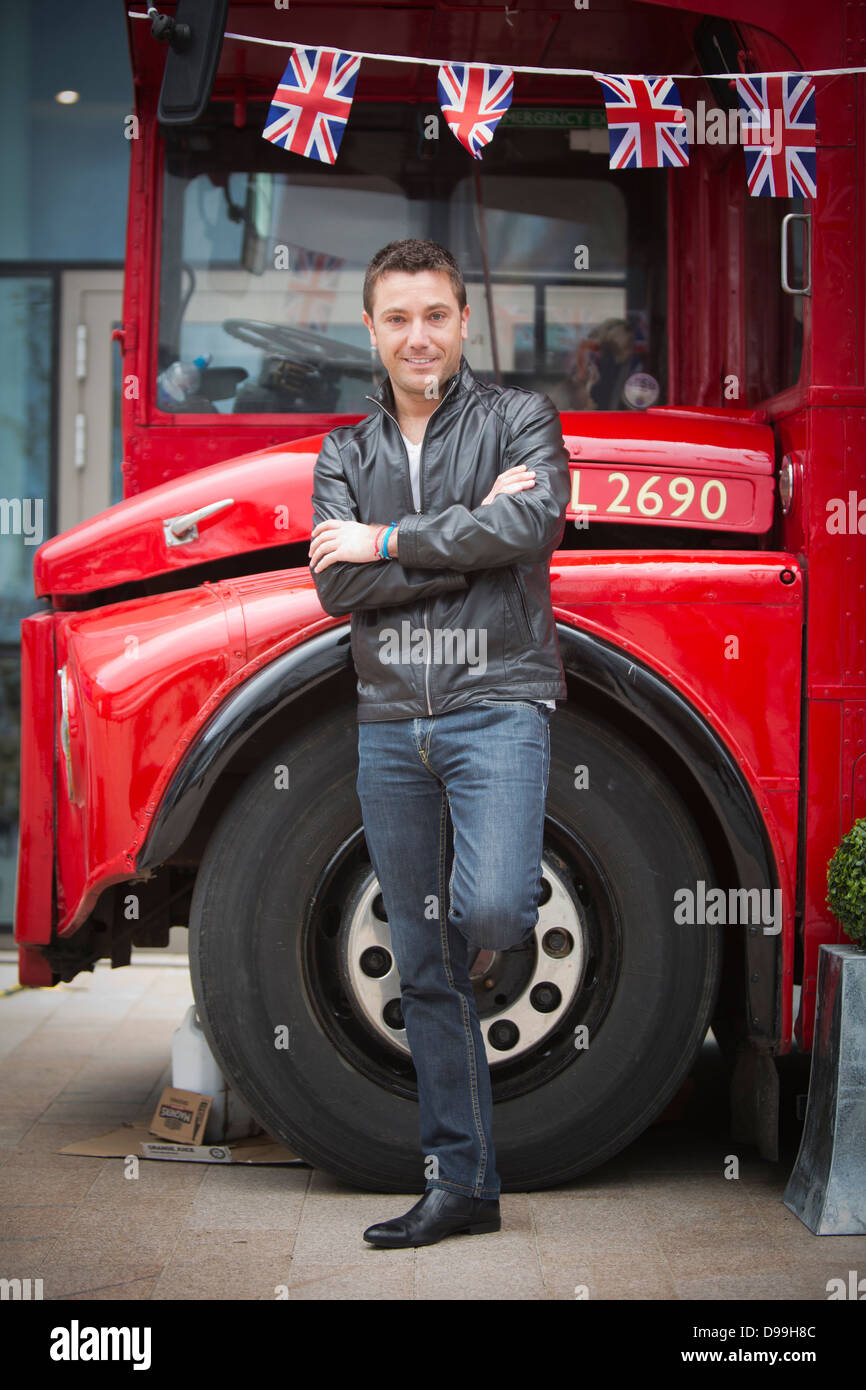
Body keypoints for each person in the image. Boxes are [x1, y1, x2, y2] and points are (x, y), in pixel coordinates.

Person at [308, 238, 571, 1248]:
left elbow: (531, 526)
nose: (417, 335)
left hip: (497, 698)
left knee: (495, 903)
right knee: (420, 959)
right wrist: (465, 536)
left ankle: (483, 976)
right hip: (387, 723)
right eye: (396, 318)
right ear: (371, 332)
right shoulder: (342, 453)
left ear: (464, 322)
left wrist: (385, 541)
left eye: (434, 315)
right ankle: (461, 1184)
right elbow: (337, 588)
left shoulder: (520, 418)